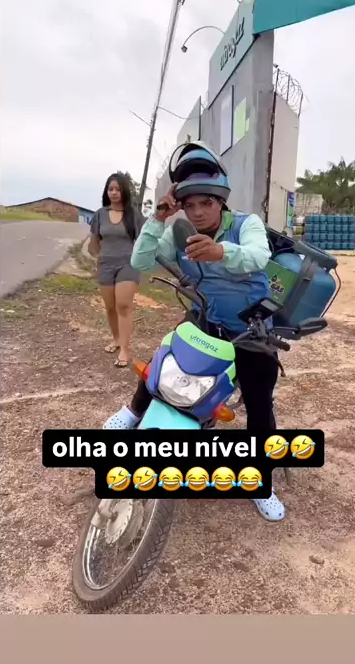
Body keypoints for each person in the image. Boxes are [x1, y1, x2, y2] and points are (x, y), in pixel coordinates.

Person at [103, 143, 285, 521]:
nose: (199, 212)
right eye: (190, 205)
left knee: (259, 403)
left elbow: (258, 256)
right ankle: (134, 411)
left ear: (221, 200)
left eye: (207, 203)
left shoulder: (246, 224)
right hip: (206, 317)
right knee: (165, 359)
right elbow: (140, 260)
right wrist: (158, 219)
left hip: (251, 329)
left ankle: (260, 480)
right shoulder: (179, 231)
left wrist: (221, 253)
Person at [88, 173, 144, 368]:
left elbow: (143, 239)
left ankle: (125, 350)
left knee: (123, 305)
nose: (114, 192)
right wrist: (97, 257)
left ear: (124, 191)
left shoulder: (133, 214)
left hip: (128, 264)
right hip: (105, 265)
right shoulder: (100, 214)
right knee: (110, 307)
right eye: (110, 189)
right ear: (106, 191)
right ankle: (116, 339)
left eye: (118, 189)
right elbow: (94, 241)